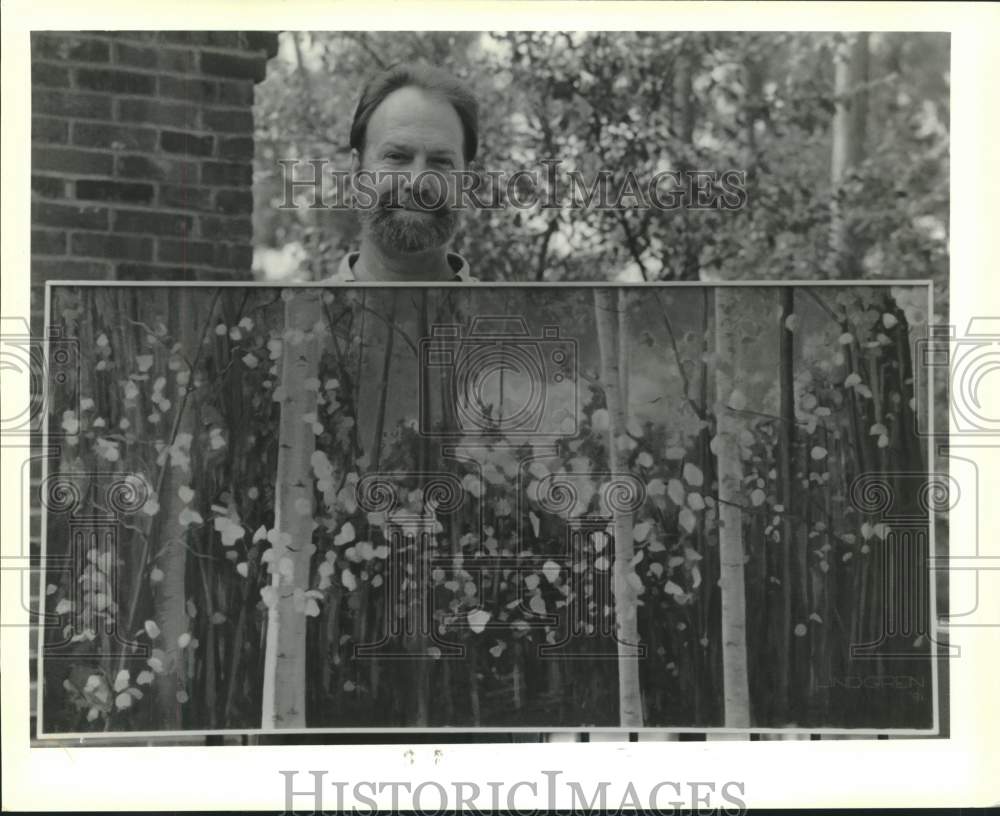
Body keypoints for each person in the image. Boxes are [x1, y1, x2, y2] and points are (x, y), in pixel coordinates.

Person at [326, 63, 479, 282]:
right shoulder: (295, 314)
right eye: (396, 157)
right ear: (357, 173)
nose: (417, 182)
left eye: (441, 161)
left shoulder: (511, 313)